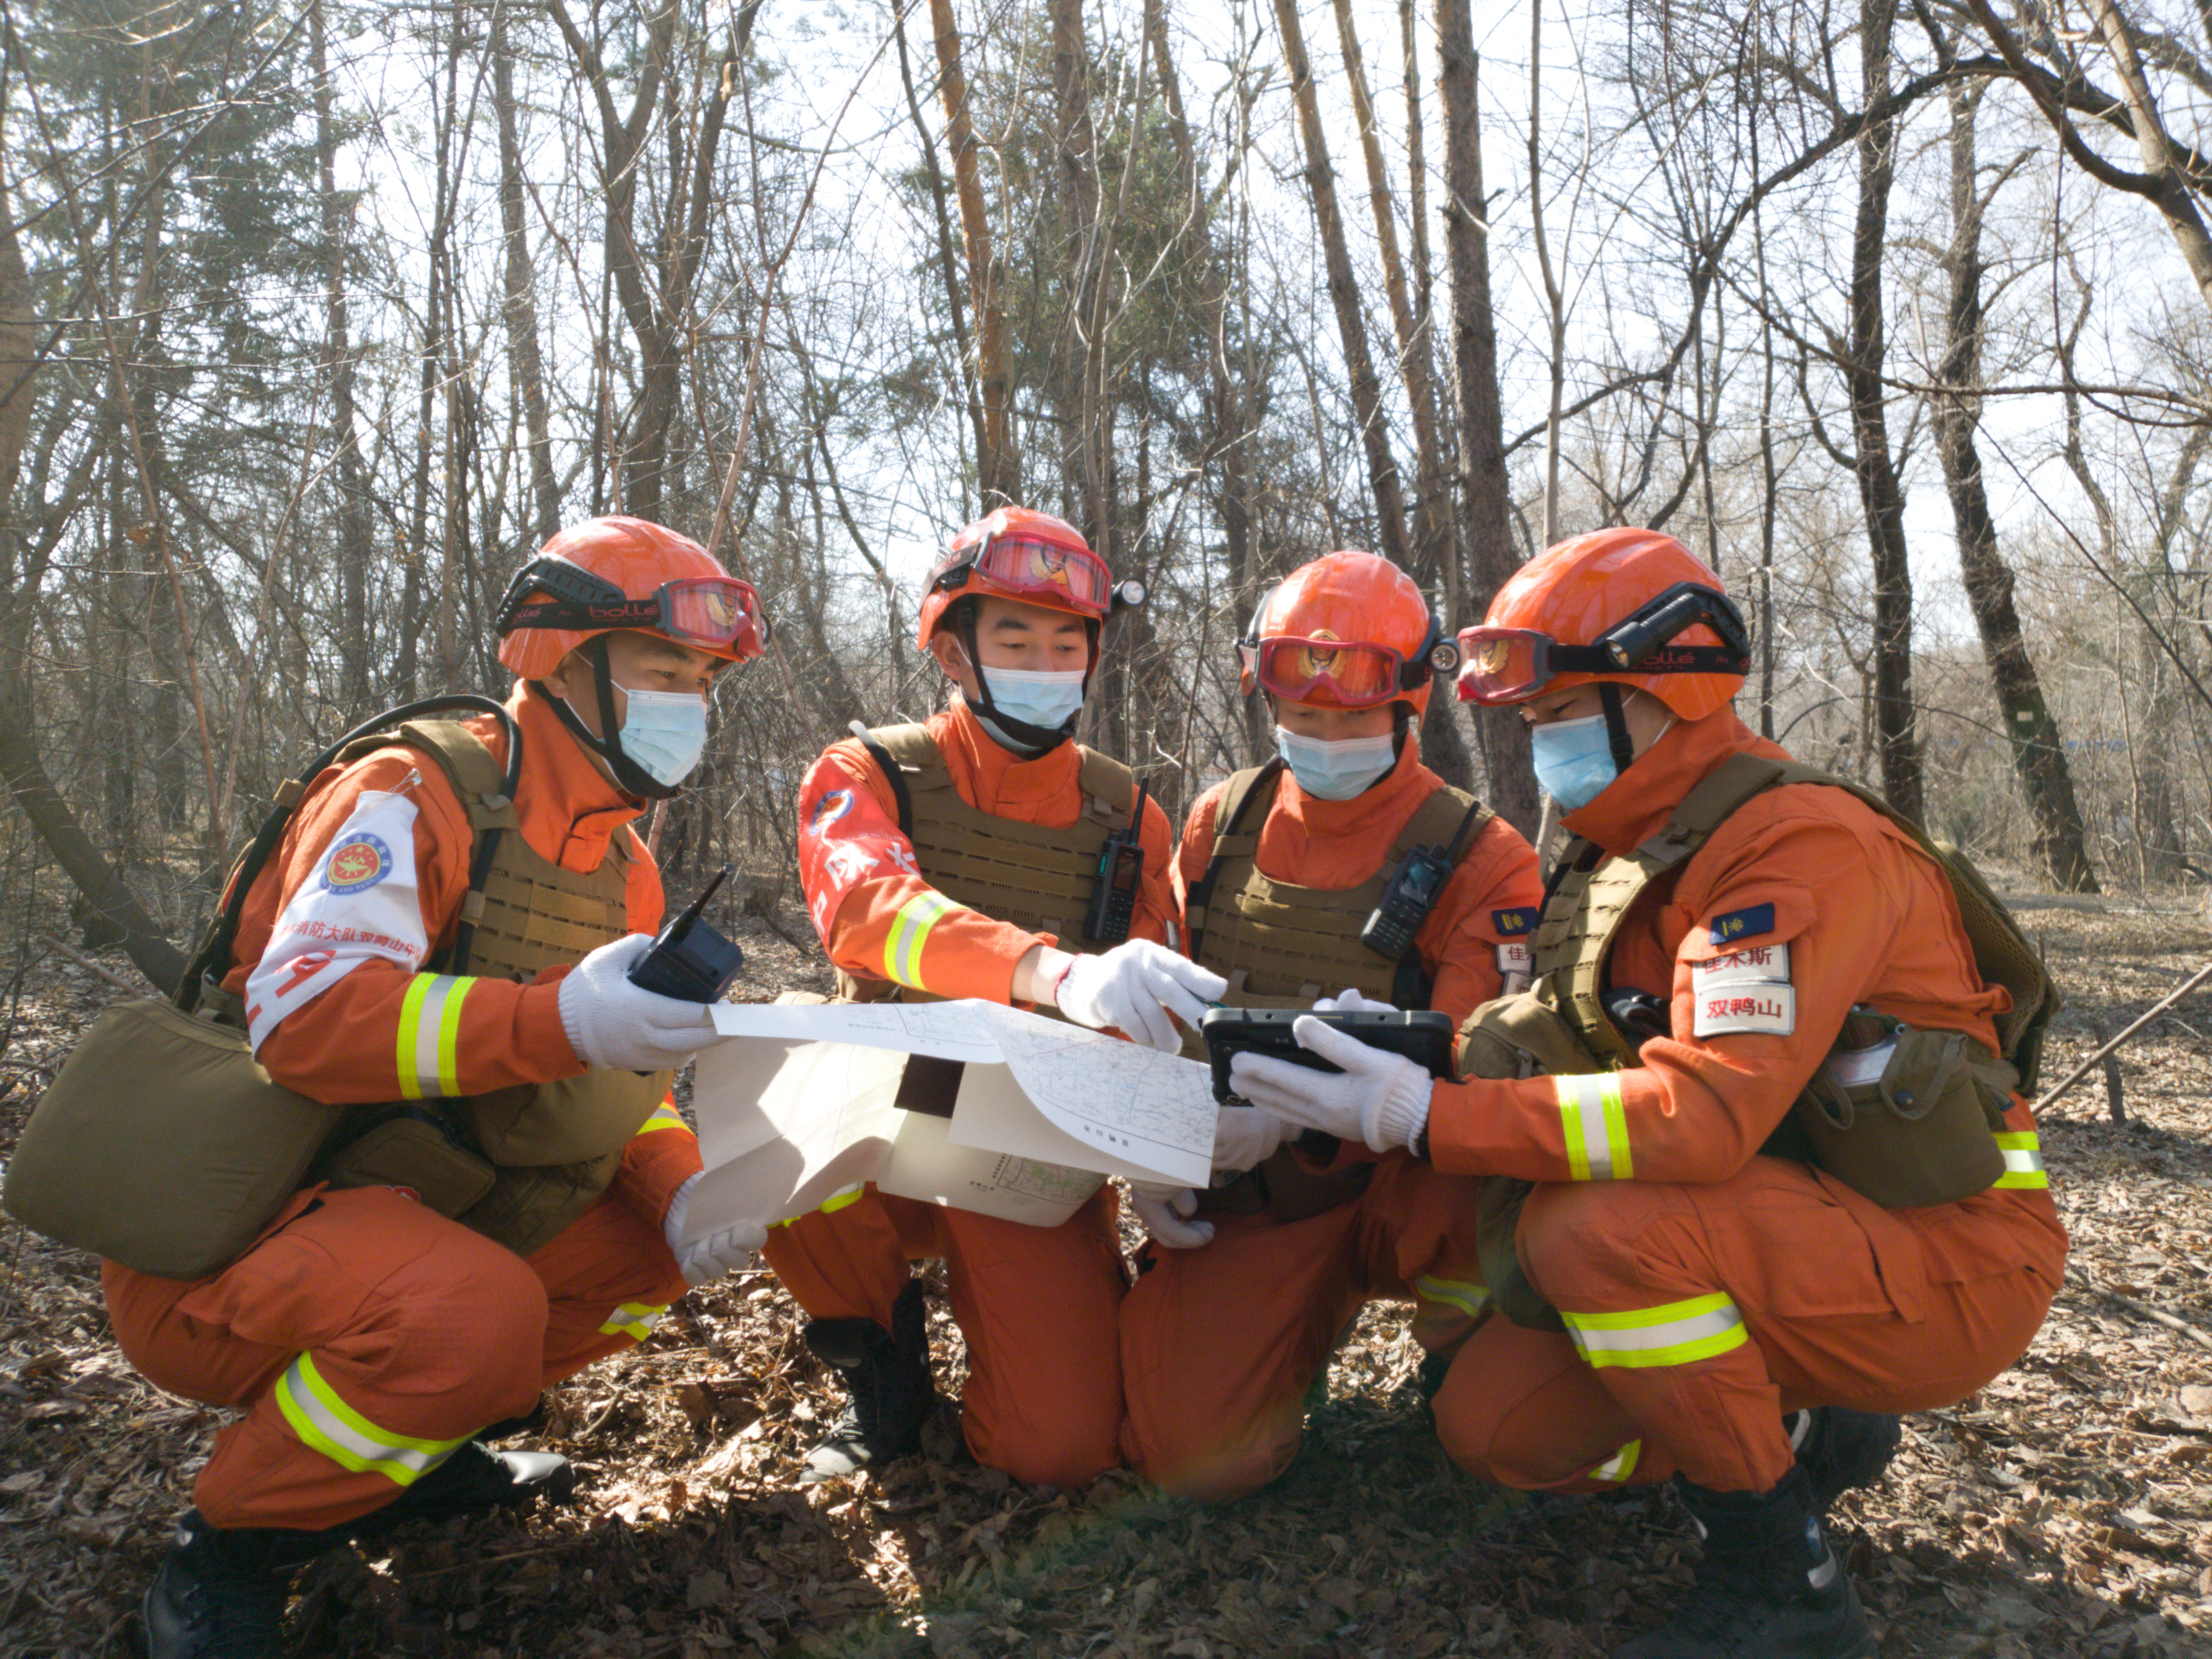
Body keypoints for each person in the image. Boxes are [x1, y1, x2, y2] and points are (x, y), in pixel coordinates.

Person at [1229, 528, 2065, 1659]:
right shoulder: (1618, 848)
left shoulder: (1794, 849)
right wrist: (1425, 1050)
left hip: (1947, 1253)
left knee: (1592, 1233)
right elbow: (1581, 1045)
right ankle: (1801, 1426)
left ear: (1658, 693)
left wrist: (1425, 1116)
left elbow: (1702, 1110)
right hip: (1772, 1225)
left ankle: (1788, 1585)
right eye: (1531, 721)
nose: (1541, 743)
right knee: (1494, 1430)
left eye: (1561, 712)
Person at [112, 517, 772, 1659]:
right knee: (474, 1317)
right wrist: (557, 1016)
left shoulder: (625, 864)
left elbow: (608, 1085)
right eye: (668, 671)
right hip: (233, 1238)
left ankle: (407, 1449)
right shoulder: (413, 793)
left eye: (707, 681)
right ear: (564, 662)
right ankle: (228, 1547)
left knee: (645, 1251)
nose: (693, 705)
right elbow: (302, 1019)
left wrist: (678, 1185)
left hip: (419, 1216)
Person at [767, 505, 1220, 1488]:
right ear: (954, 651)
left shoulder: (1129, 810)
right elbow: (867, 909)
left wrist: (1154, 1151)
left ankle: (1081, 1329)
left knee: (1055, 1450)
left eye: (1067, 643)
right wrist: (1054, 972)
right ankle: (881, 1367)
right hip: (890, 1109)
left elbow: (1159, 994)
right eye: (1015, 636)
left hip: (1032, 1133)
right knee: (776, 1072)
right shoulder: (868, 770)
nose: (1045, 662)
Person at [1116, 552, 1542, 1499]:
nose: (1322, 736)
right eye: (1302, 718)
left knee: (1483, 1201)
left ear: (1409, 705)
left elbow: (1483, 1051)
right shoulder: (1220, 824)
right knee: (1195, 1461)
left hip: (1418, 1178)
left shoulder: (1484, 857)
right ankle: (1285, 1332)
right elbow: (1169, 1015)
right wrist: (1160, 1149)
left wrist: (1323, 1106)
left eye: (1349, 719)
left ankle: (1467, 1359)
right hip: (1264, 1189)